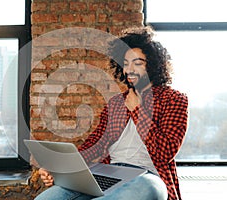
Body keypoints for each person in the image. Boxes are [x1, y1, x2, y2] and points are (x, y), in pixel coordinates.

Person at [35, 26, 188, 200]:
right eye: (126, 63)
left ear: (152, 65)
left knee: (146, 188)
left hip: (149, 176)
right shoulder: (116, 103)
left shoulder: (174, 99)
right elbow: (94, 145)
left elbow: (165, 153)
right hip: (109, 174)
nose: (129, 69)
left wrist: (137, 110)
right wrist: (59, 168)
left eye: (137, 63)